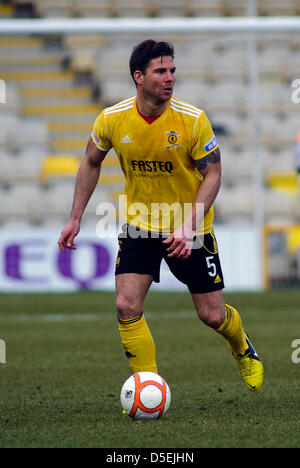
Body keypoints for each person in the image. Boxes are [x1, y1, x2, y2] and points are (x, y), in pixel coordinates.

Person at [58, 39, 263, 392]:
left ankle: (242, 347)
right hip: (140, 226)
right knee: (126, 305)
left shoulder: (193, 120)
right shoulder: (111, 119)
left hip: (191, 229)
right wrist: (75, 217)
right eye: (160, 71)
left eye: (172, 70)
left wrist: (189, 226)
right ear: (139, 77)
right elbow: (90, 162)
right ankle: (147, 387)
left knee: (211, 315)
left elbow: (213, 174)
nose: (169, 78)